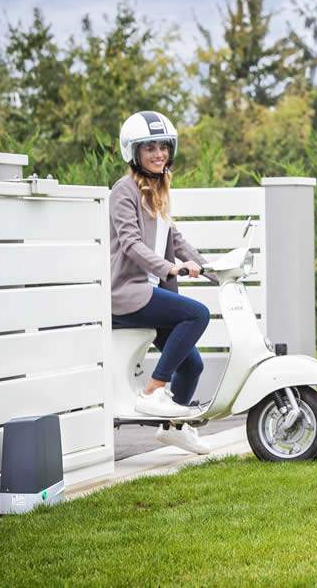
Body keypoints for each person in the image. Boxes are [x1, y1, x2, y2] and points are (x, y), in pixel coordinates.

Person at [108, 110, 211, 455]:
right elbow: (131, 244)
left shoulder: (158, 189)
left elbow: (176, 239)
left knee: (193, 365)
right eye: (149, 148)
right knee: (197, 314)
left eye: (163, 147)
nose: (159, 154)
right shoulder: (123, 191)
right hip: (127, 293)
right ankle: (153, 391)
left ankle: (173, 430)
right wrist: (171, 269)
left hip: (150, 293)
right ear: (133, 152)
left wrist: (215, 270)